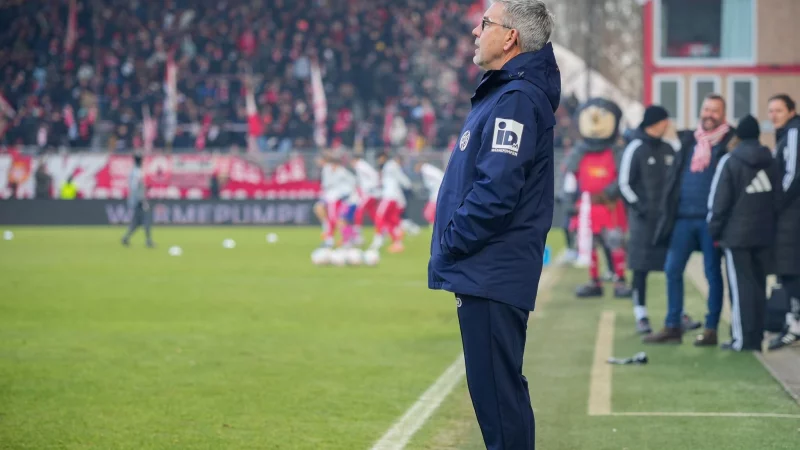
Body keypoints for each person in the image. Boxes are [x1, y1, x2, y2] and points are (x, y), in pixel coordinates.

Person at [428, 1, 558, 448]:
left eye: (485, 24)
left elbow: (497, 189)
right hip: (489, 270)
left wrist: (452, 242)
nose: (474, 32)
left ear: (510, 38)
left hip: (491, 270)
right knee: (497, 396)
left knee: (498, 400)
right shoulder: (505, 93)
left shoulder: (516, 99)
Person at [646, 94, 734, 345]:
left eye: (715, 111)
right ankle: (673, 325)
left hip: (711, 221)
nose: (709, 114)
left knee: (712, 274)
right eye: (706, 109)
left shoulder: (730, 142)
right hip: (683, 219)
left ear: (723, 115)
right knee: (672, 269)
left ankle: (711, 329)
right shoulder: (689, 141)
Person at [707, 115, 779, 351]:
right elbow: (779, 198)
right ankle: (756, 337)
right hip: (765, 235)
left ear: (739, 135)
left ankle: (743, 339)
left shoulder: (730, 162)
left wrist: (714, 231)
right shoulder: (772, 161)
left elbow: (719, 202)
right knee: (759, 287)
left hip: (737, 237)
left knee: (740, 290)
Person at [617, 105, 673, 334]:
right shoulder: (636, 148)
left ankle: (676, 313)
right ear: (656, 122)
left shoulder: (670, 149)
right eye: (664, 121)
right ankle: (641, 314)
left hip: (666, 221)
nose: (667, 125)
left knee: (673, 267)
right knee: (640, 269)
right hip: (642, 222)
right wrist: (640, 207)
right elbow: (624, 184)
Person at [766, 94, 800, 351]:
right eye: (770, 111)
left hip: (792, 213)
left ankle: (794, 324)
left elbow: (792, 173)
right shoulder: (786, 133)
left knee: (789, 267)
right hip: (790, 211)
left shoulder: (793, 133)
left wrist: (776, 205)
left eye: (778, 110)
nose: (773, 115)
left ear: (791, 111)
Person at [372, 152, 411, 253]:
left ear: (383, 157)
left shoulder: (390, 165)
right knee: (391, 220)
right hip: (392, 196)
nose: (378, 161)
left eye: (379, 158)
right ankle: (397, 243)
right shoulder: (387, 167)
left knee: (379, 216)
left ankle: (379, 238)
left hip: (390, 196)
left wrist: (408, 185)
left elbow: (400, 177)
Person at [121, 154, 154, 248]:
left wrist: (145, 189)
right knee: (146, 219)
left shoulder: (133, 171)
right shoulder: (137, 172)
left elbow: (135, 187)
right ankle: (148, 241)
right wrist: (142, 199)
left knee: (137, 222)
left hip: (135, 200)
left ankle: (125, 238)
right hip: (139, 201)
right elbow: (135, 187)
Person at [350, 155, 381, 245]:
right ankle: (381, 231)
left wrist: (373, 187)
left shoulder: (361, 166)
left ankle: (358, 236)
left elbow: (374, 174)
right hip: (368, 193)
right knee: (373, 214)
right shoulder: (361, 166)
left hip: (369, 194)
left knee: (359, 212)